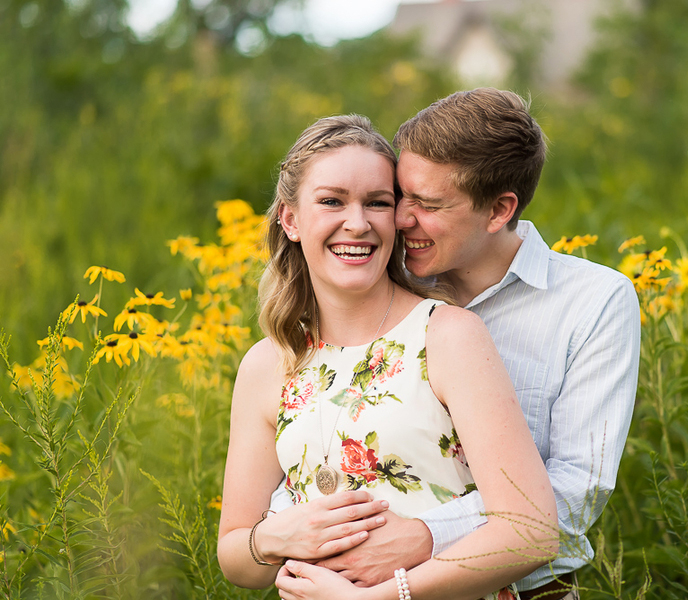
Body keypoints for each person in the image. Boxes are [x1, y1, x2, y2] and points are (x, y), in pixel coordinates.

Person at [309, 89, 641, 600]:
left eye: (429, 204)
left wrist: (425, 536)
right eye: (402, 196)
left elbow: (577, 490)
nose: (399, 219)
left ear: (498, 209)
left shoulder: (593, 301)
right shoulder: (375, 281)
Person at [217, 114, 558, 600]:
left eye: (377, 203)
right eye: (332, 201)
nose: (357, 224)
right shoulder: (268, 364)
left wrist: (382, 596)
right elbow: (235, 556)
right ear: (290, 220)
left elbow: (532, 530)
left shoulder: (447, 337)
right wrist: (275, 538)